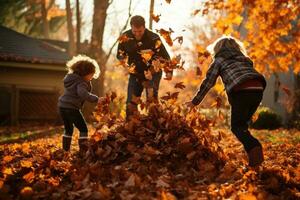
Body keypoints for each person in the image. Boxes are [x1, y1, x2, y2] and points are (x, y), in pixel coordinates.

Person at [186, 36, 267, 167]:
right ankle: (254, 159)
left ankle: (254, 148)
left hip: (241, 91)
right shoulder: (245, 59)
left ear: (217, 49)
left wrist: (194, 101)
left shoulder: (219, 60)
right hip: (258, 89)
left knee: (237, 127)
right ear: (236, 48)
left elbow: (208, 82)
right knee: (242, 126)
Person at [116, 15, 171, 119]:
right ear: (131, 28)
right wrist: (124, 63)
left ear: (144, 28)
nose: (137, 34)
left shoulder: (153, 38)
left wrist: (160, 69)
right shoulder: (125, 37)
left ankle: (154, 125)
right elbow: (120, 54)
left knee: (151, 100)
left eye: (140, 31)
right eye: (134, 31)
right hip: (135, 73)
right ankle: (130, 127)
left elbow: (166, 57)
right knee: (131, 102)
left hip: (152, 73)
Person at [58, 55, 103, 153]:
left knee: (68, 128)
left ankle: (65, 150)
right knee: (83, 129)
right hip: (71, 108)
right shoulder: (81, 82)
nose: (91, 78)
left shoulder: (71, 79)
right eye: (91, 75)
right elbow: (83, 93)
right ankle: (83, 151)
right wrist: (96, 99)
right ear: (85, 73)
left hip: (62, 106)